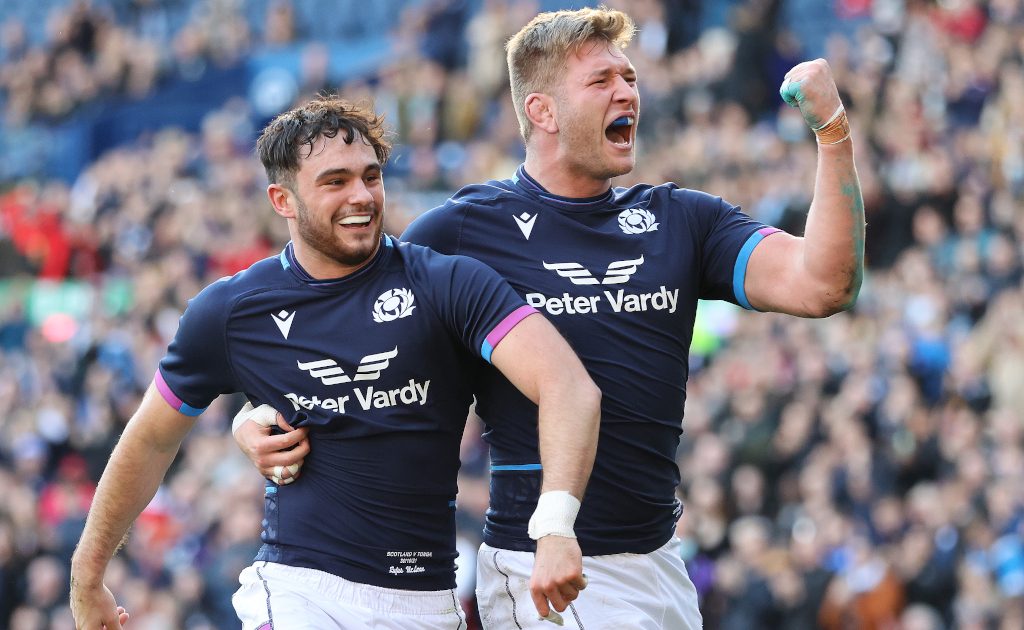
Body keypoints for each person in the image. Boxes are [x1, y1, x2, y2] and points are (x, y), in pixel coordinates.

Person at [236, 7, 865, 629]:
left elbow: (823, 283)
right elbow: (348, 336)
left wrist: (833, 132)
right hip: (544, 564)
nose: (627, 92)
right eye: (601, 81)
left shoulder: (683, 221)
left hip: (658, 561)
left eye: (630, 79)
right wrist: (258, 413)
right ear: (542, 111)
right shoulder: (463, 229)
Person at [69, 95, 602, 630]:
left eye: (371, 176)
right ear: (283, 199)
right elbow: (152, 439)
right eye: (335, 181)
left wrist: (555, 524)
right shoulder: (231, 311)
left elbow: (567, 385)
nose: (362, 196)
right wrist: (87, 574)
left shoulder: (448, 283)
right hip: (302, 593)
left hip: (427, 602)